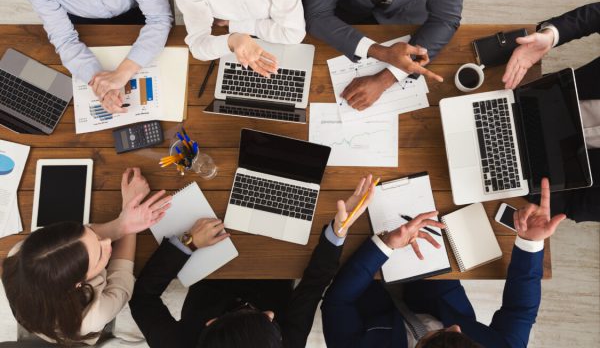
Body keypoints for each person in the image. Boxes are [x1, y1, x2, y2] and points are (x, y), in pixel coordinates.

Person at [129, 175, 376, 347]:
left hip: (211, 278)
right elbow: (312, 287)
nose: (271, 314)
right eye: (272, 322)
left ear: (211, 324)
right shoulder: (283, 343)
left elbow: (142, 299)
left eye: (259, 315)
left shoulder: (176, 344)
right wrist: (339, 230)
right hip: (273, 275)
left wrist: (188, 242)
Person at [321, 177, 565, 348]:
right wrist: (530, 243)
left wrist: (385, 245)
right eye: (460, 335)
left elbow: (336, 303)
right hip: (439, 298)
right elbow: (519, 311)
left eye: (442, 332)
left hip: (370, 314)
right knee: (430, 225)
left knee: (351, 254)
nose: (457, 328)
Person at [1, 168, 172, 345]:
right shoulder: (96, 315)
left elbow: (93, 232)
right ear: (78, 284)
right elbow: (121, 279)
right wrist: (129, 223)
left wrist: (123, 222)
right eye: (99, 255)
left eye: (91, 235)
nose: (107, 242)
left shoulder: (20, 252)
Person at [303, 0, 464, 111]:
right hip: (347, 20)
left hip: (408, 19)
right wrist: (381, 52)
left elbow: (445, 19)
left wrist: (386, 79)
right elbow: (318, 16)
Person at [17, 0, 173, 114]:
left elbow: (159, 18)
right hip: (83, 20)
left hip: (136, 5)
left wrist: (123, 72)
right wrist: (102, 84)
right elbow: (64, 40)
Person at [502, 2, 600, 222]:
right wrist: (551, 36)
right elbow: (596, 16)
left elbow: (574, 205)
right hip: (529, 96)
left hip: (525, 171)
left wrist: (539, 201)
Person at [173, 0, 306, 78]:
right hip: (236, 38)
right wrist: (233, 40)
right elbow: (197, 45)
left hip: (273, 39)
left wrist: (236, 25)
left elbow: (293, 33)